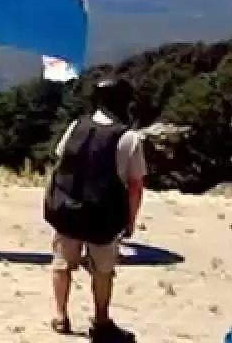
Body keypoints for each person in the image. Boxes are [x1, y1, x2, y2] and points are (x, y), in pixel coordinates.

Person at [43, 77, 145, 341]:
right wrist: (130, 222)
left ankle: (60, 316)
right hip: (104, 216)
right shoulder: (129, 138)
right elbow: (135, 186)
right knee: (103, 271)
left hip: (67, 209)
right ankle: (100, 321)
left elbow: (59, 159)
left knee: (62, 264)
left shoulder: (77, 125)